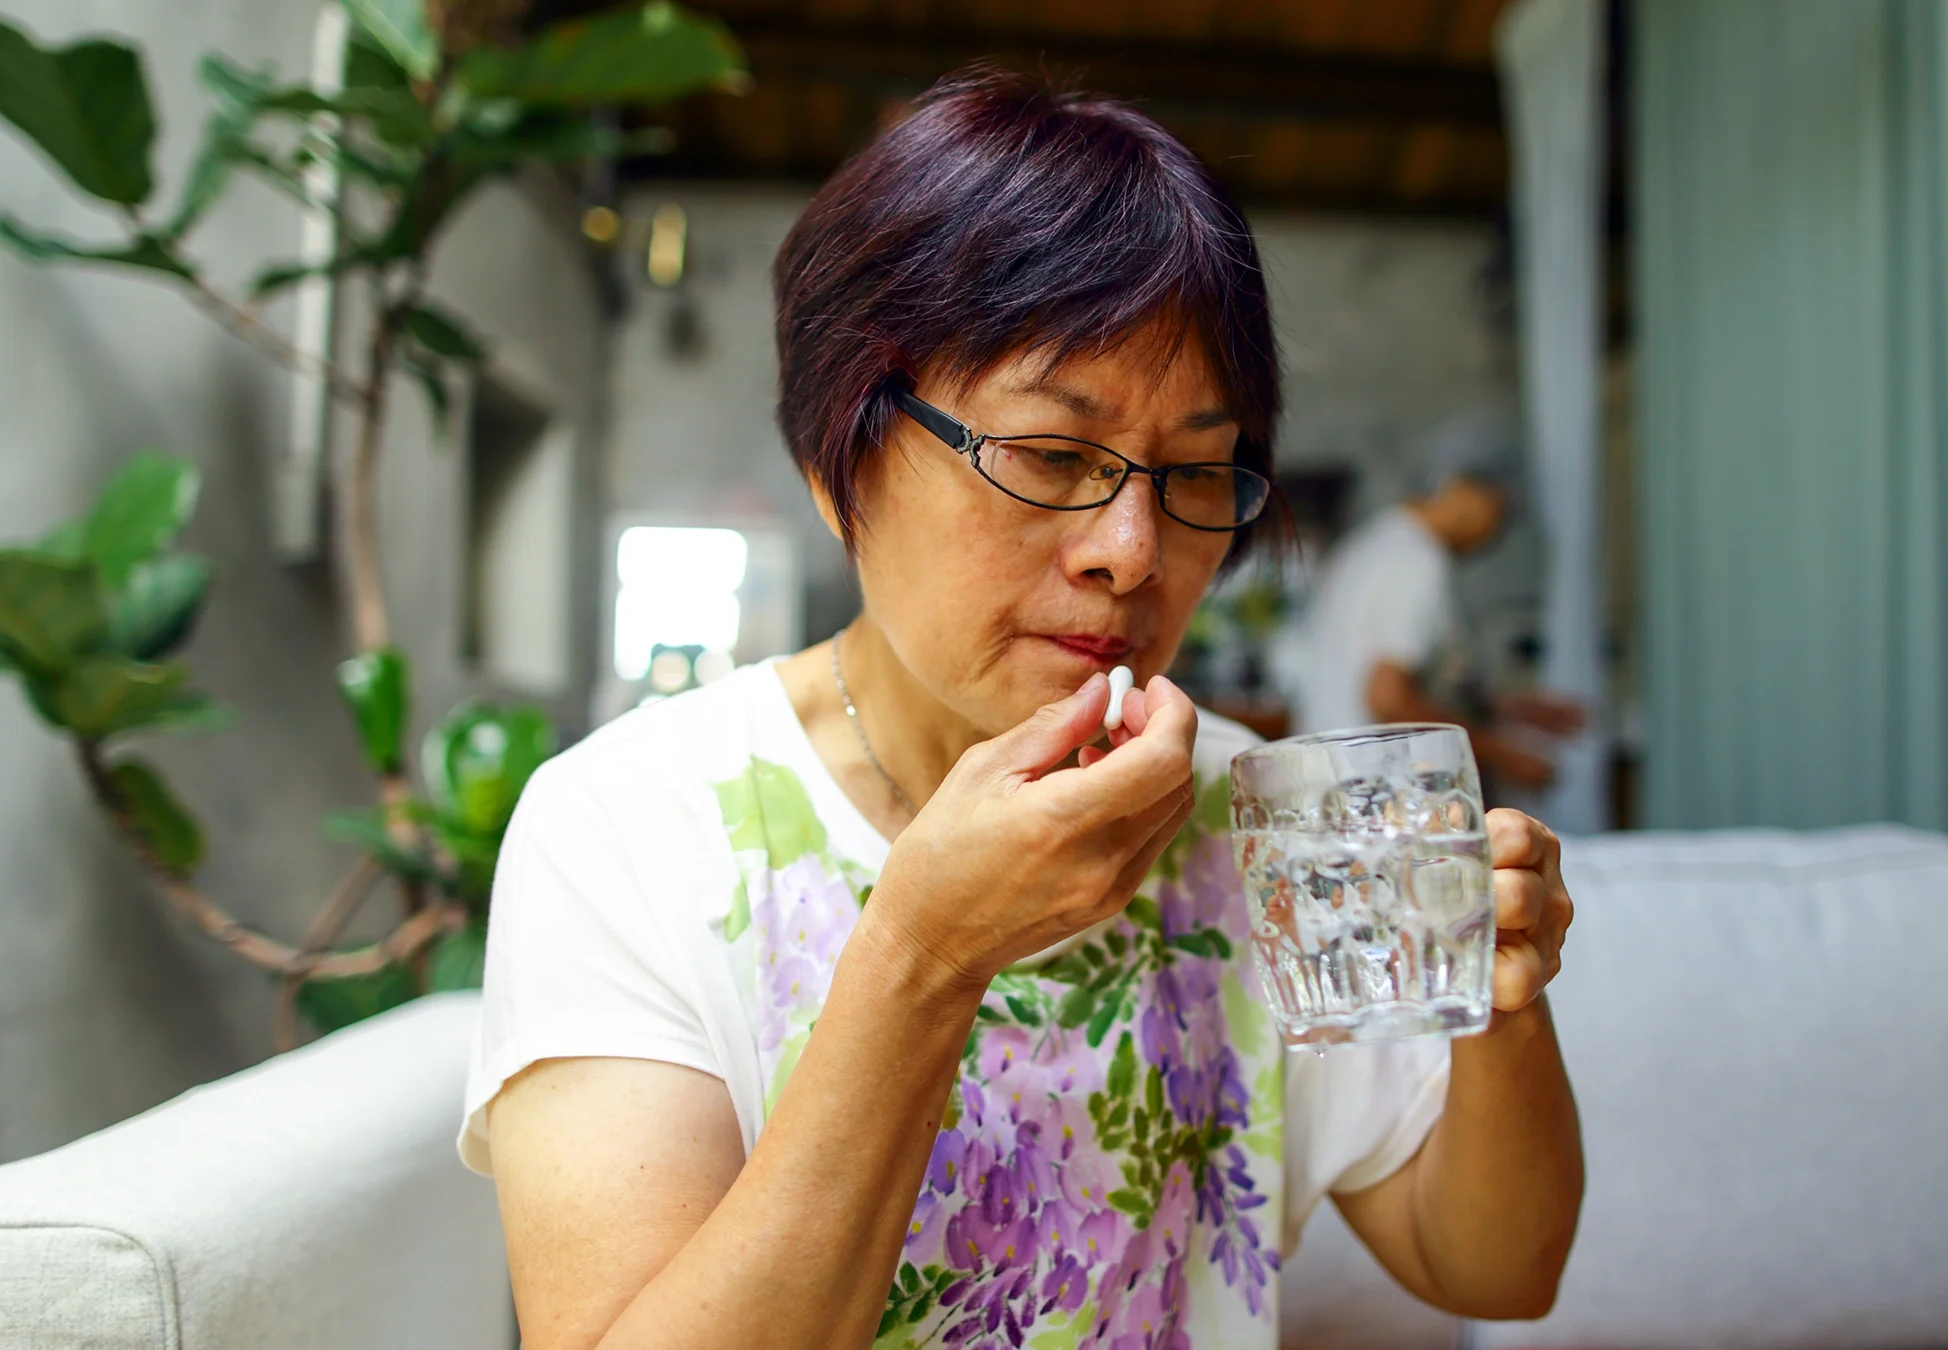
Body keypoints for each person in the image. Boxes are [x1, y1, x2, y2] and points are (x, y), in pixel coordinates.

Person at [465, 68, 1583, 1350]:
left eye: (1198, 474)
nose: (1131, 548)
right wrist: (925, 955)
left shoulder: (1261, 824)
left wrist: (1500, 1008)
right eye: (1053, 457)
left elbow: (1495, 1268)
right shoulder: (628, 828)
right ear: (843, 459)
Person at [1287, 416, 1586, 785]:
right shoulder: (1417, 560)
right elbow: (1388, 698)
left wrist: (1511, 710)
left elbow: (1407, 684)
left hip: (1337, 784)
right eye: (1501, 511)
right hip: (1373, 796)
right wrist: (1504, 754)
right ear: (1464, 489)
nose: (1497, 532)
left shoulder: (1378, 542)